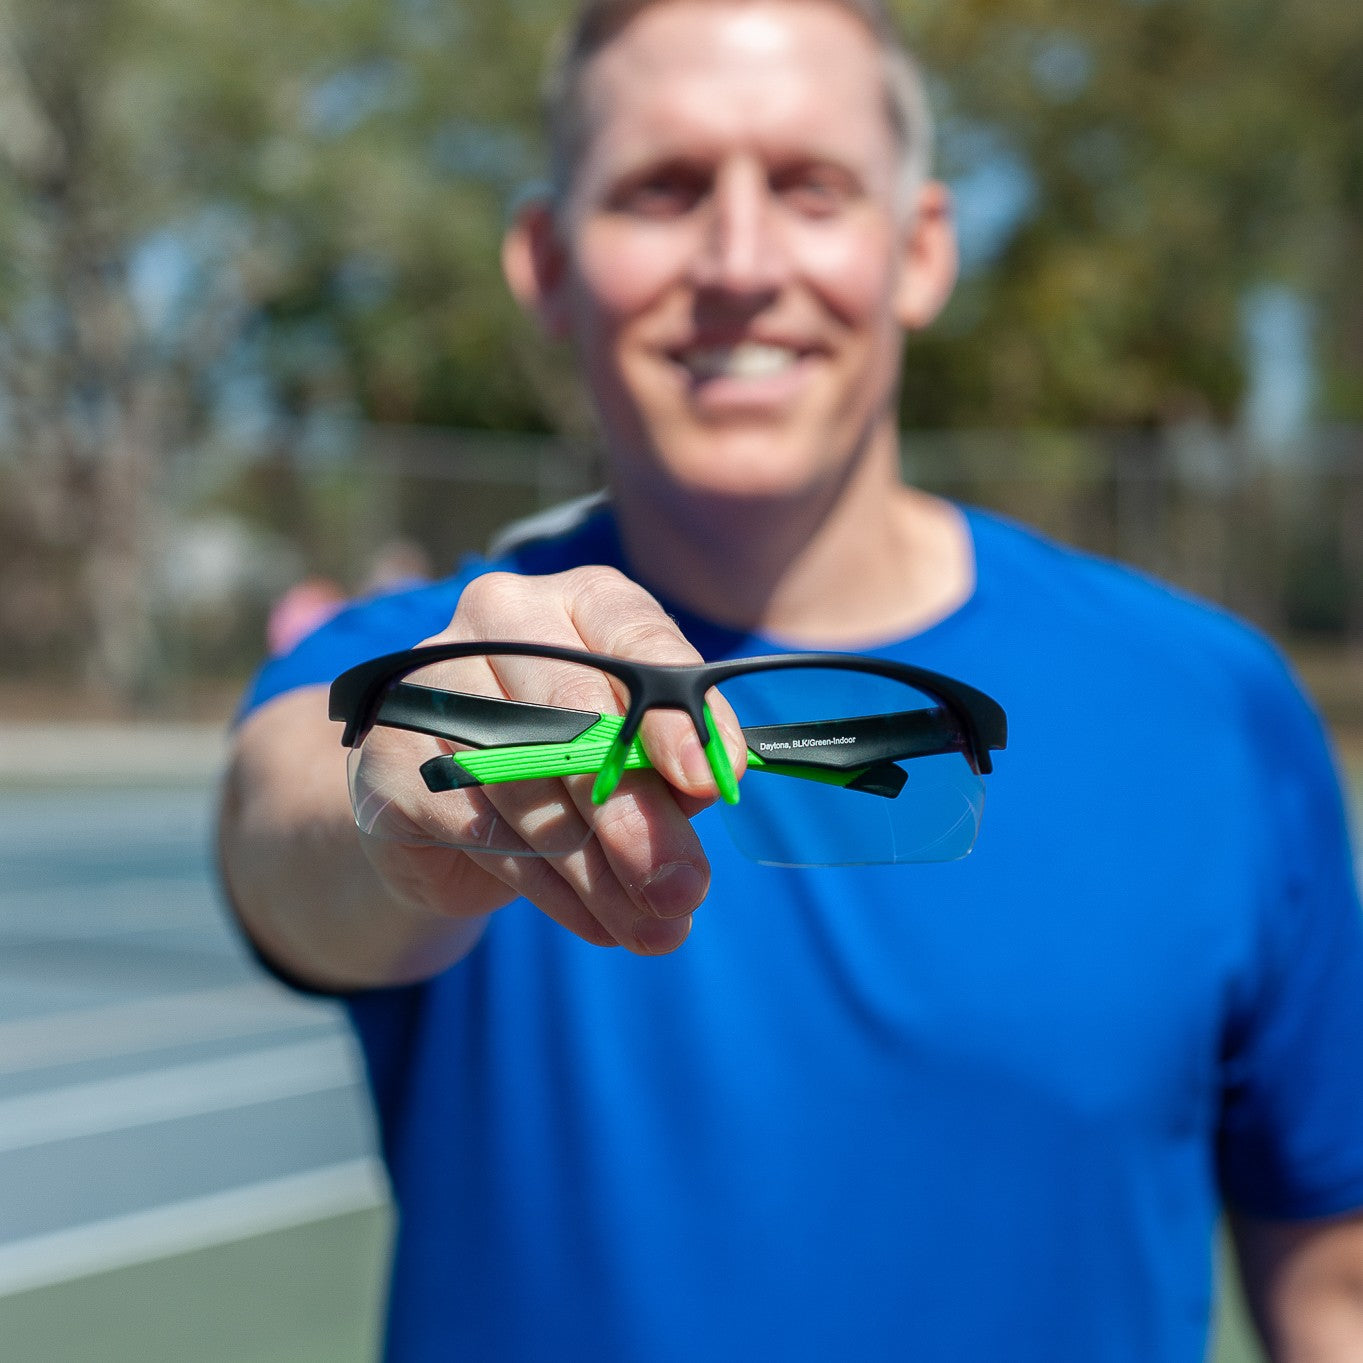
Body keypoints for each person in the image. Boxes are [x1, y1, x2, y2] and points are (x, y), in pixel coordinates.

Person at [217, 1, 1363, 1358]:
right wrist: (401, 810)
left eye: (812, 187)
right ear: (549, 263)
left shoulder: (1212, 706)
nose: (741, 261)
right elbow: (286, 825)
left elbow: (1333, 1285)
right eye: (663, 188)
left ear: (918, 249)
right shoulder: (442, 669)